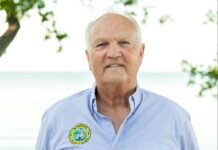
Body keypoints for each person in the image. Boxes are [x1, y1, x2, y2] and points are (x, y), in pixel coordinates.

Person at [36, 12, 199, 150]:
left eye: (124, 43)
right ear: (88, 58)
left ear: (141, 53)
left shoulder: (174, 118)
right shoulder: (57, 118)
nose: (113, 53)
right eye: (101, 44)